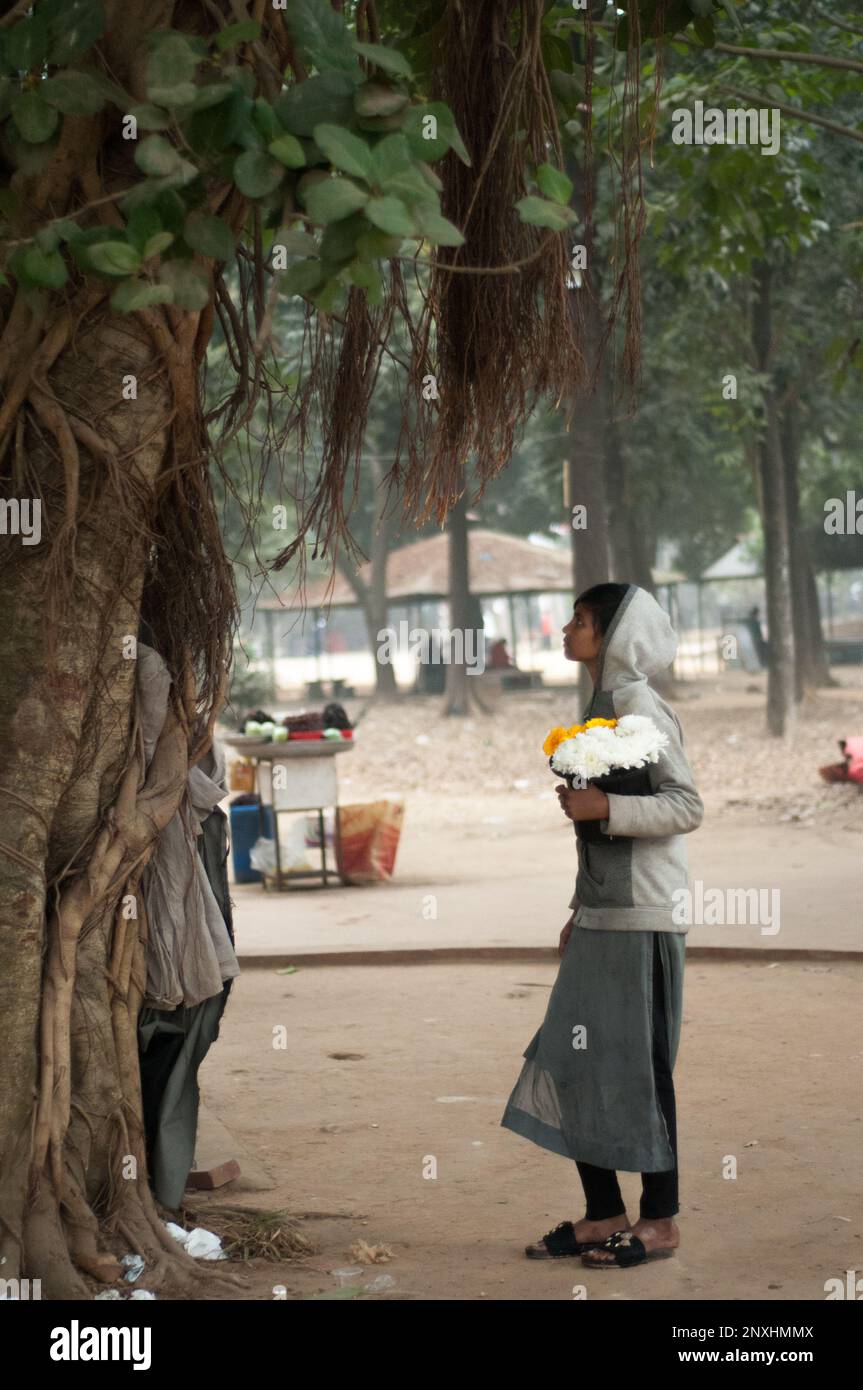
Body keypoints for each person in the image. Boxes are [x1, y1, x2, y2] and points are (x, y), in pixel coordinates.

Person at [500, 582, 704, 1269]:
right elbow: (596, 828)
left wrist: (605, 812)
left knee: (640, 1071)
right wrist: (576, 910)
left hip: (643, 916)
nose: (565, 629)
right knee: (575, 1059)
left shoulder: (638, 703)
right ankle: (602, 1213)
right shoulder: (595, 705)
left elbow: (685, 805)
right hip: (601, 915)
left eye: (580, 621)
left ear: (612, 634)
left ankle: (661, 1222)